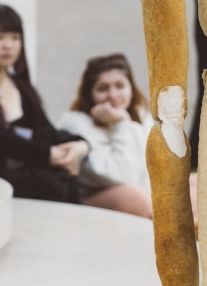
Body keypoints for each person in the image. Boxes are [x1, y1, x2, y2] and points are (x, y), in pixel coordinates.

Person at [0, 8, 151, 216]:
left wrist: (80, 145)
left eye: (15, 37)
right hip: (0, 179)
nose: (8, 45)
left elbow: (46, 130)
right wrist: (49, 155)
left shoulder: (21, 86)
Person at [58, 52, 154, 191]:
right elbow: (123, 176)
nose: (112, 95)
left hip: (139, 192)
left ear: (131, 88)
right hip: (97, 195)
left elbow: (151, 172)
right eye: (102, 89)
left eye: (120, 86)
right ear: (89, 94)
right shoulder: (77, 122)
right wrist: (121, 123)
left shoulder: (141, 114)